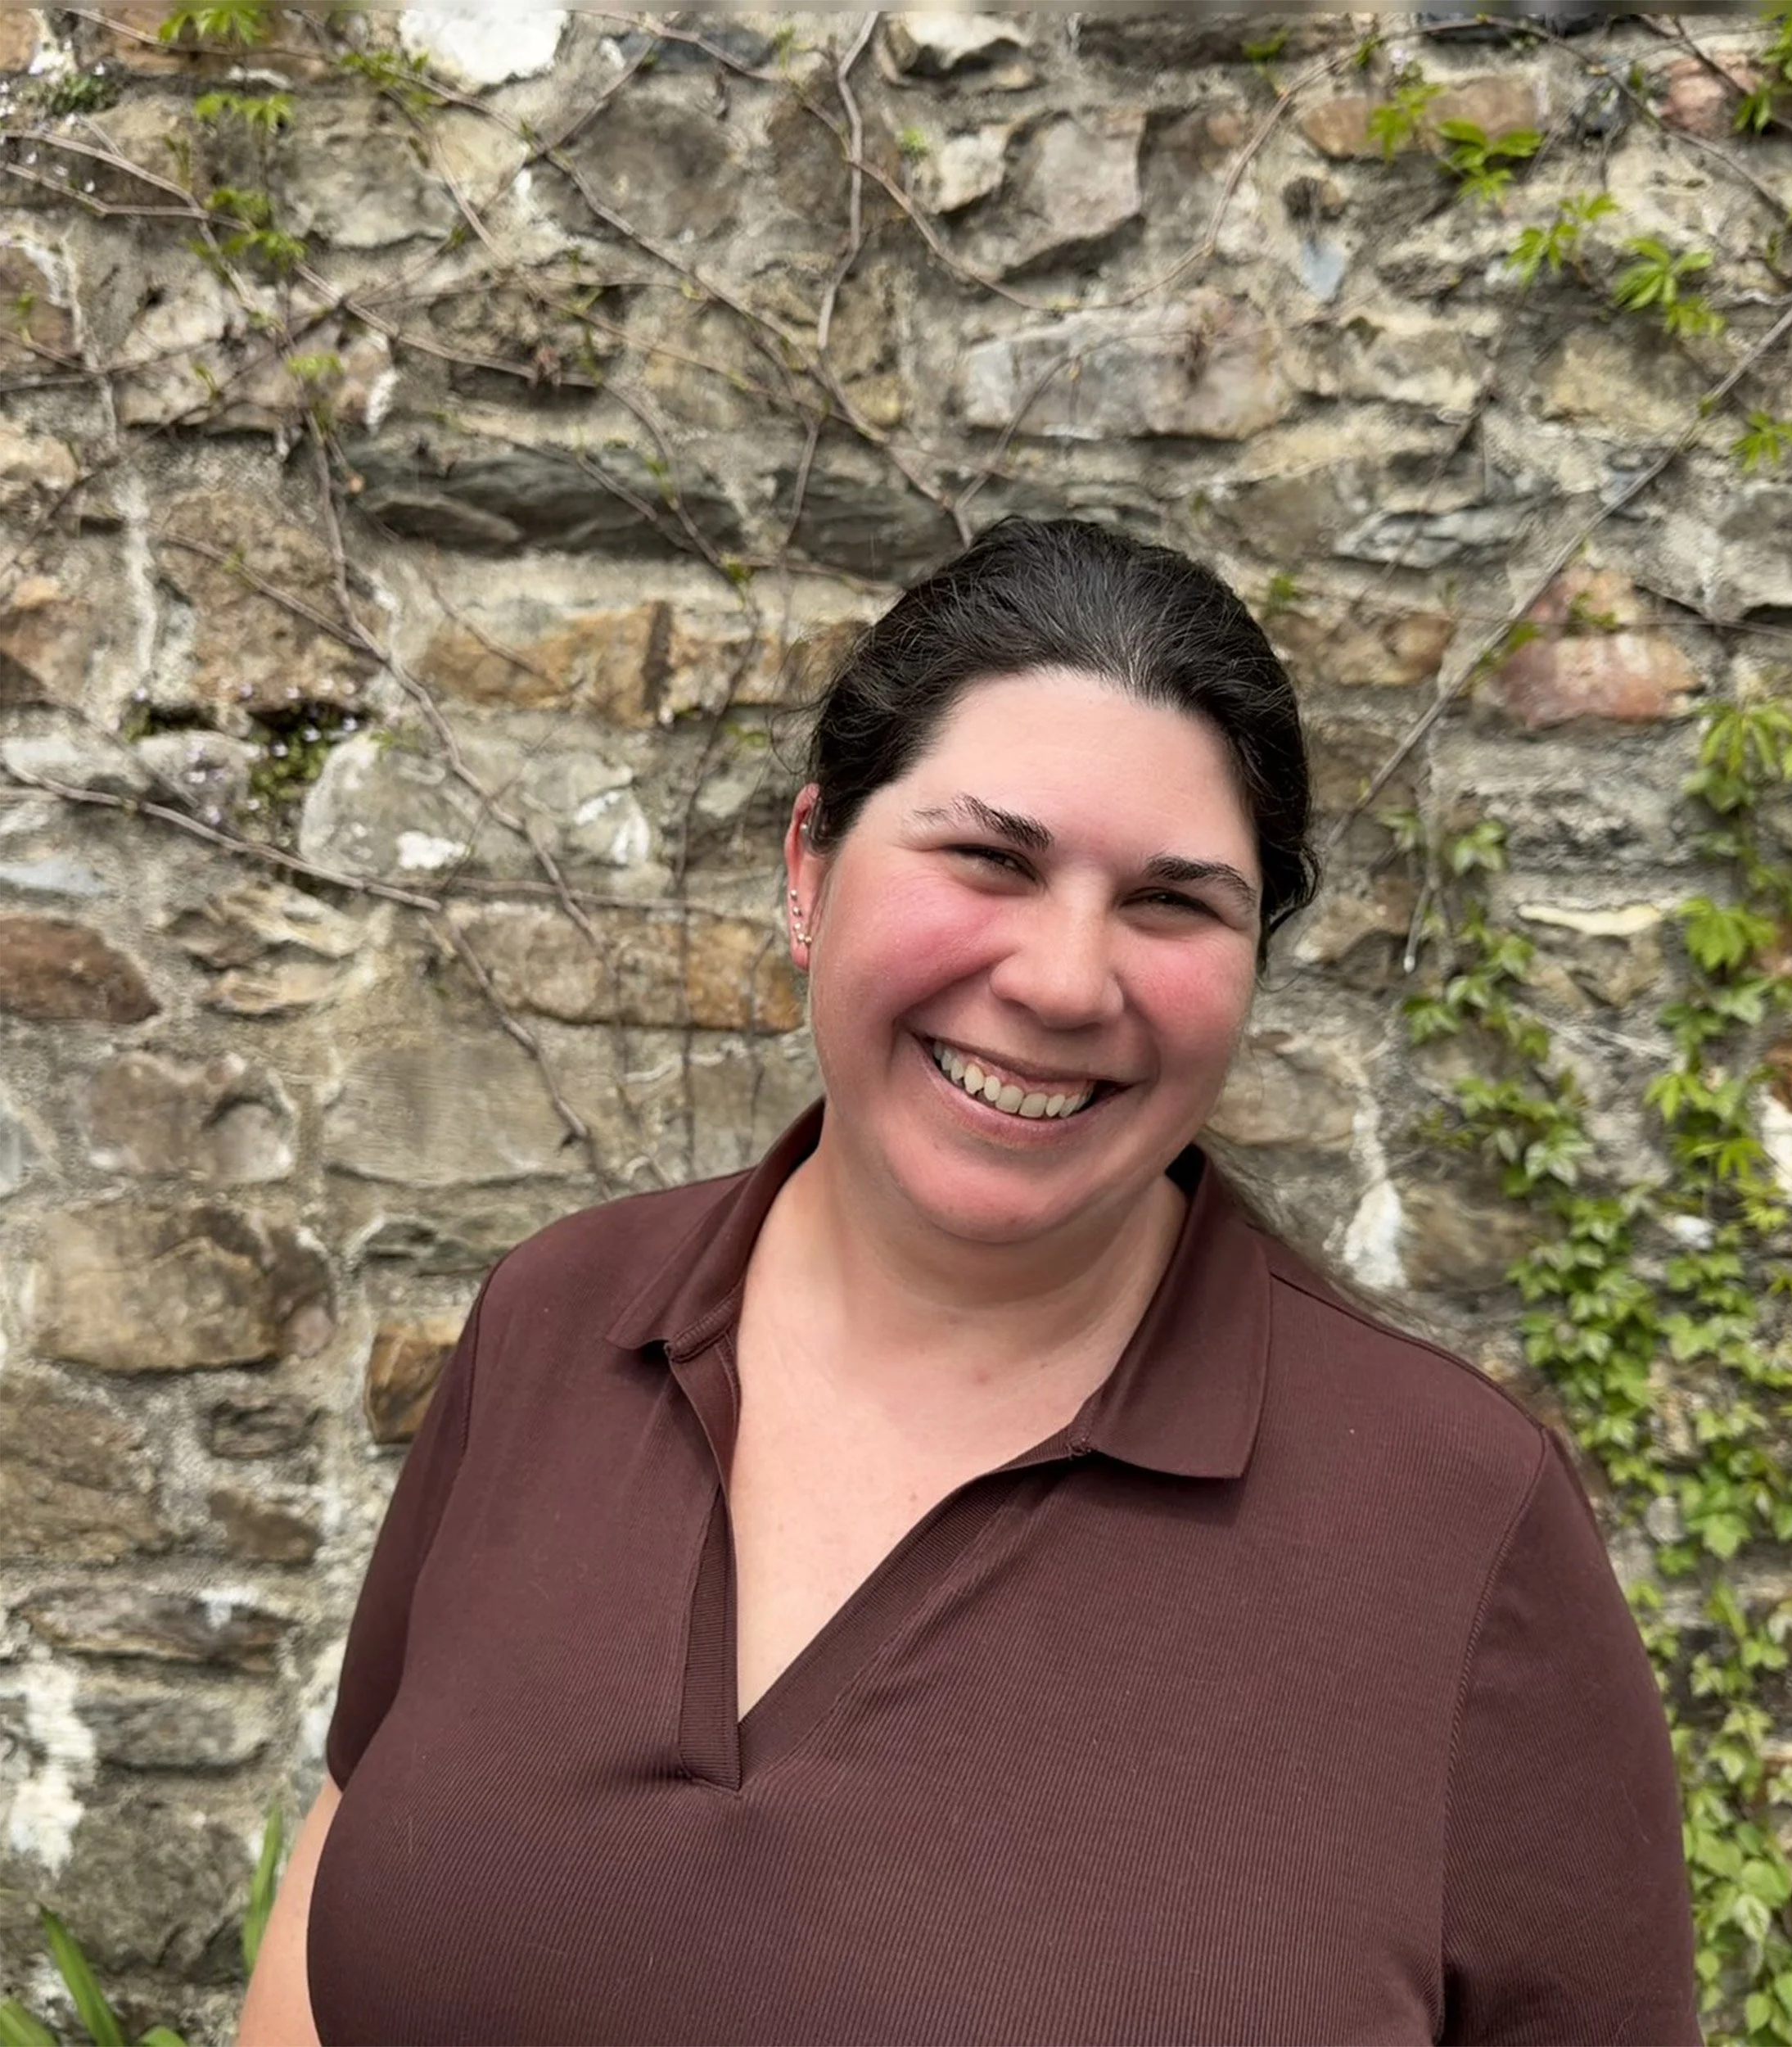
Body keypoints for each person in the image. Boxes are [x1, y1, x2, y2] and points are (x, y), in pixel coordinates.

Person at [239, 517, 1700, 2045]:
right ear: (809, 869)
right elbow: (338, 1885)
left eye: (1174, 902)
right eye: (992, 859)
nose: (1063, 981)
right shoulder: (558, 1320)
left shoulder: (1456, 1522)